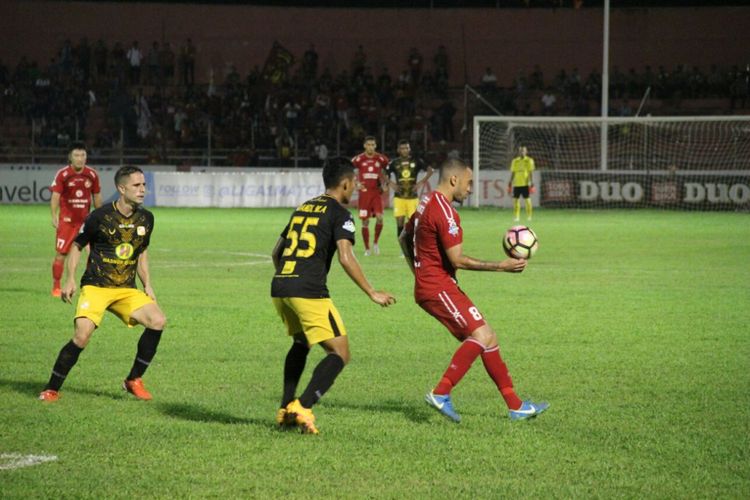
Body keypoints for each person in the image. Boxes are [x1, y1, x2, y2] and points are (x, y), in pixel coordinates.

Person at [399, 158, 548, 423]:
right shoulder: (445, 212)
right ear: (453, 180)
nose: (471, 189)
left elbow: (403, 238)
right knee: (479, 334)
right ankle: (440, 392)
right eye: (469, 183)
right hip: (438, 287)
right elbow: (457, 259)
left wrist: (418, 273)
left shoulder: (426, 203)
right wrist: (501, 266)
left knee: (488, 336)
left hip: (436, 285)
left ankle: (516, 406)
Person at [271, 159, 396, 434]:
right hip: (308, 291)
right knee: (340, 352)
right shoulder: (340, 214)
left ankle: (285, 408)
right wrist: (372, 292)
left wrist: (287, 279)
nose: (356, 187)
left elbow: (275, 253)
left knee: (302, 342)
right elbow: (346, 256)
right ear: (346, 183)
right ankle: (302, 407)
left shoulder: (303, 207)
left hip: (280, 286)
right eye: (355, 183)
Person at [39, 166, 167, 403]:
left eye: (144, 185)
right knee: (82, 335)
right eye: (136, 185)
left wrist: (147, 284)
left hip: (126, 289)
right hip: (97, 287)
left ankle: (133, 380)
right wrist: (70, 279)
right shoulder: (99, 216)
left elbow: (142, 252)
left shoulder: (146, 218)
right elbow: (77, 245)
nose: (142, 190)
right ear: (121, 188)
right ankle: (51, 389)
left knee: (158, 321)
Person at [50, 142, 102, 297]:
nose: (80, 159)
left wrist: (99, 216)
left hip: (86, 222)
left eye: (83, 155)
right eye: (76, 155)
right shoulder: (63, 174)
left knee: (93, 254)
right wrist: (54, 215)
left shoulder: (92, 174)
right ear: (70, 158)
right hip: (67, 222)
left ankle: (88, 284)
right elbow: (55, 196)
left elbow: (97, 195)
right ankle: (57, 285)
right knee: (61, 254)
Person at [386, 139, 433, 245]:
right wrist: (391, 184)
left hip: (413, 198)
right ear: (398, 150)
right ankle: (403, 248)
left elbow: (431, 170)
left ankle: (414, 245)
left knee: (415, 223)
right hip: (399, 197)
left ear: (410, 149)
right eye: (402, 148)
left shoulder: (416, 161)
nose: (405, 150)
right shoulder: (394, 163)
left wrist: (420, 182)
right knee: (399, 223)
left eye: (407, 148)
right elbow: (384, 173)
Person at [351, 136, 389, 256]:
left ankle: (376, 243)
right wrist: (356, 183)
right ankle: (367, 249)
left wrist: (385, 184)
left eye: (373, 145)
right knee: (365, 221)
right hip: (364, 194)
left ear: (375, 146)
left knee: (379, 217)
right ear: (364, 146)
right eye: (368, 145)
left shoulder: (381, 159)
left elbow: (387, 171)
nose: (371, 147)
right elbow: (349, 170)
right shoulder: (358, 159)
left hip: (376, 193)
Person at [508, 145, 536, 221]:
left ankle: (529, 216)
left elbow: (530, 172)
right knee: (516, 200)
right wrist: (510, 181)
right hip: (517, 183)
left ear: (526, 152)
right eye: (520, 151)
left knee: (527, 200)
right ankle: (517, 217)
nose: (522, 152)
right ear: (519, 152)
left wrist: (532, 182)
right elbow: (513, 172)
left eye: (523, 151)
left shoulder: (529, 160)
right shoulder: (515, 161)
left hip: (525, 183)